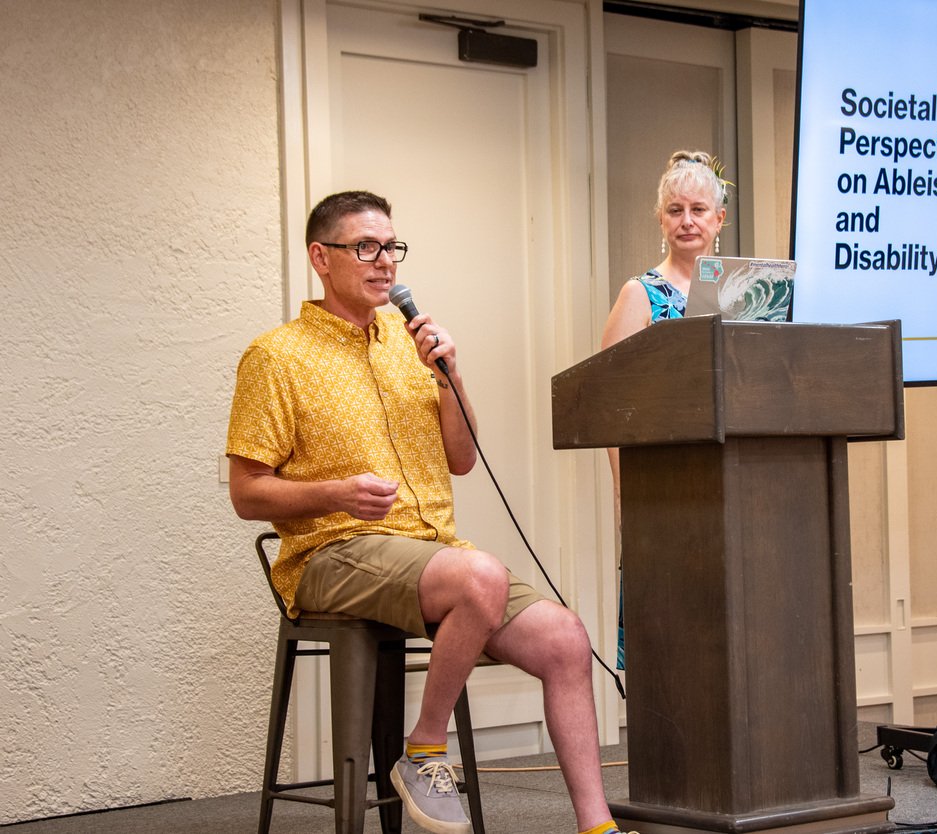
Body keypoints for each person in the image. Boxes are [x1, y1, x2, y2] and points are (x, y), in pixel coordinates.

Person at [227, 191, 634, 834]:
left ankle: (597, 827)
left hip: (428, 551)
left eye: (391, 247)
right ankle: (423, 750)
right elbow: (246, 493)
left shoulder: (410, 344)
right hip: (330, 552)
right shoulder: (277, 356)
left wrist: (449, 376)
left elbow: (463, 459)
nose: (384, 261)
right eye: (365, 247)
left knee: (565, 639)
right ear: (320, 258)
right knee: (479, 576)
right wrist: (336, 493)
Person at [599, 150, 729, 668]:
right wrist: (624, 491)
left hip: (729, 483)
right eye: (676, 210)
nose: (687, 220)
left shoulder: (743, 294)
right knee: (669, 637)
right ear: (661, 219)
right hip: (661, 485)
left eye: (699, 209)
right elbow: (610, 401)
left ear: (719, 219)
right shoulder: (640, 293)